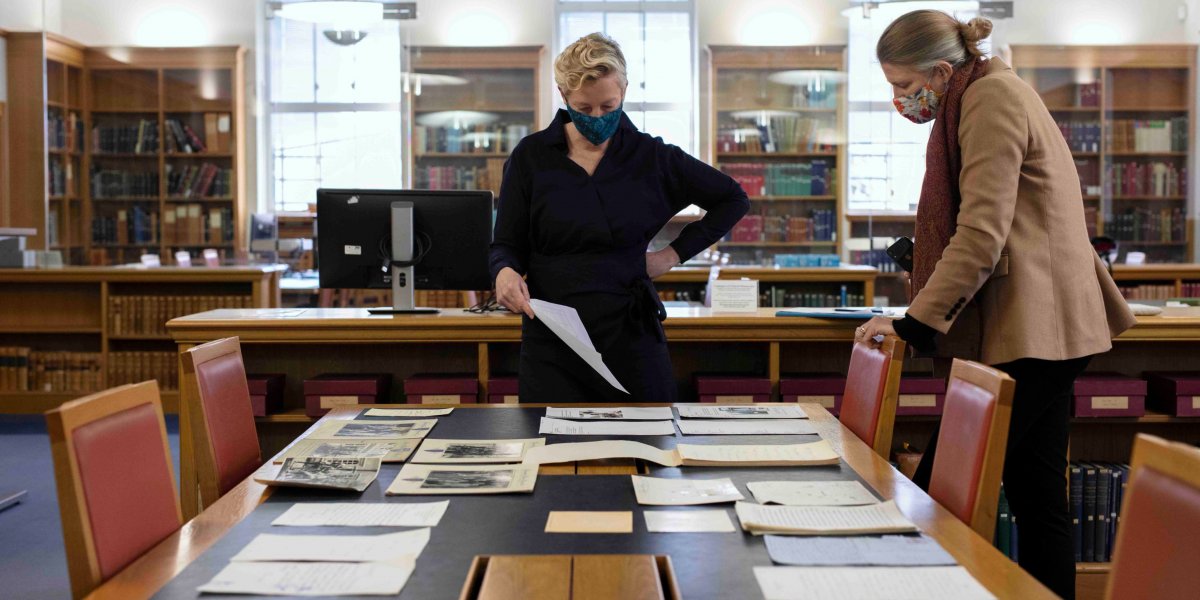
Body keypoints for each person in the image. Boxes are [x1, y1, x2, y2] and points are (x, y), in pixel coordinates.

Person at [854, 11, 1136, 599]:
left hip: (1036, 327)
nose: (900, 99)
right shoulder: (980, 93)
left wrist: (914, 321)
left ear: (939, 69)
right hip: (1041, 326)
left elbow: (982, 232)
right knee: (1036, 494)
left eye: (905, 86)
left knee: (938, 493)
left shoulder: (989, 100)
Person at [490, 33, 749, 403]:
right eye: (585, 108)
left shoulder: (653, 157)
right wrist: (504, 271)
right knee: (549, 450)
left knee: (649, 447)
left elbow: (733, 198)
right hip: (552, 336)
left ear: (624, 90)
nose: (597, 118)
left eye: (609, 107)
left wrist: (671, 256)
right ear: (563, 95)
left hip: (631, 332)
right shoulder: (531, 157)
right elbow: (506, 244)